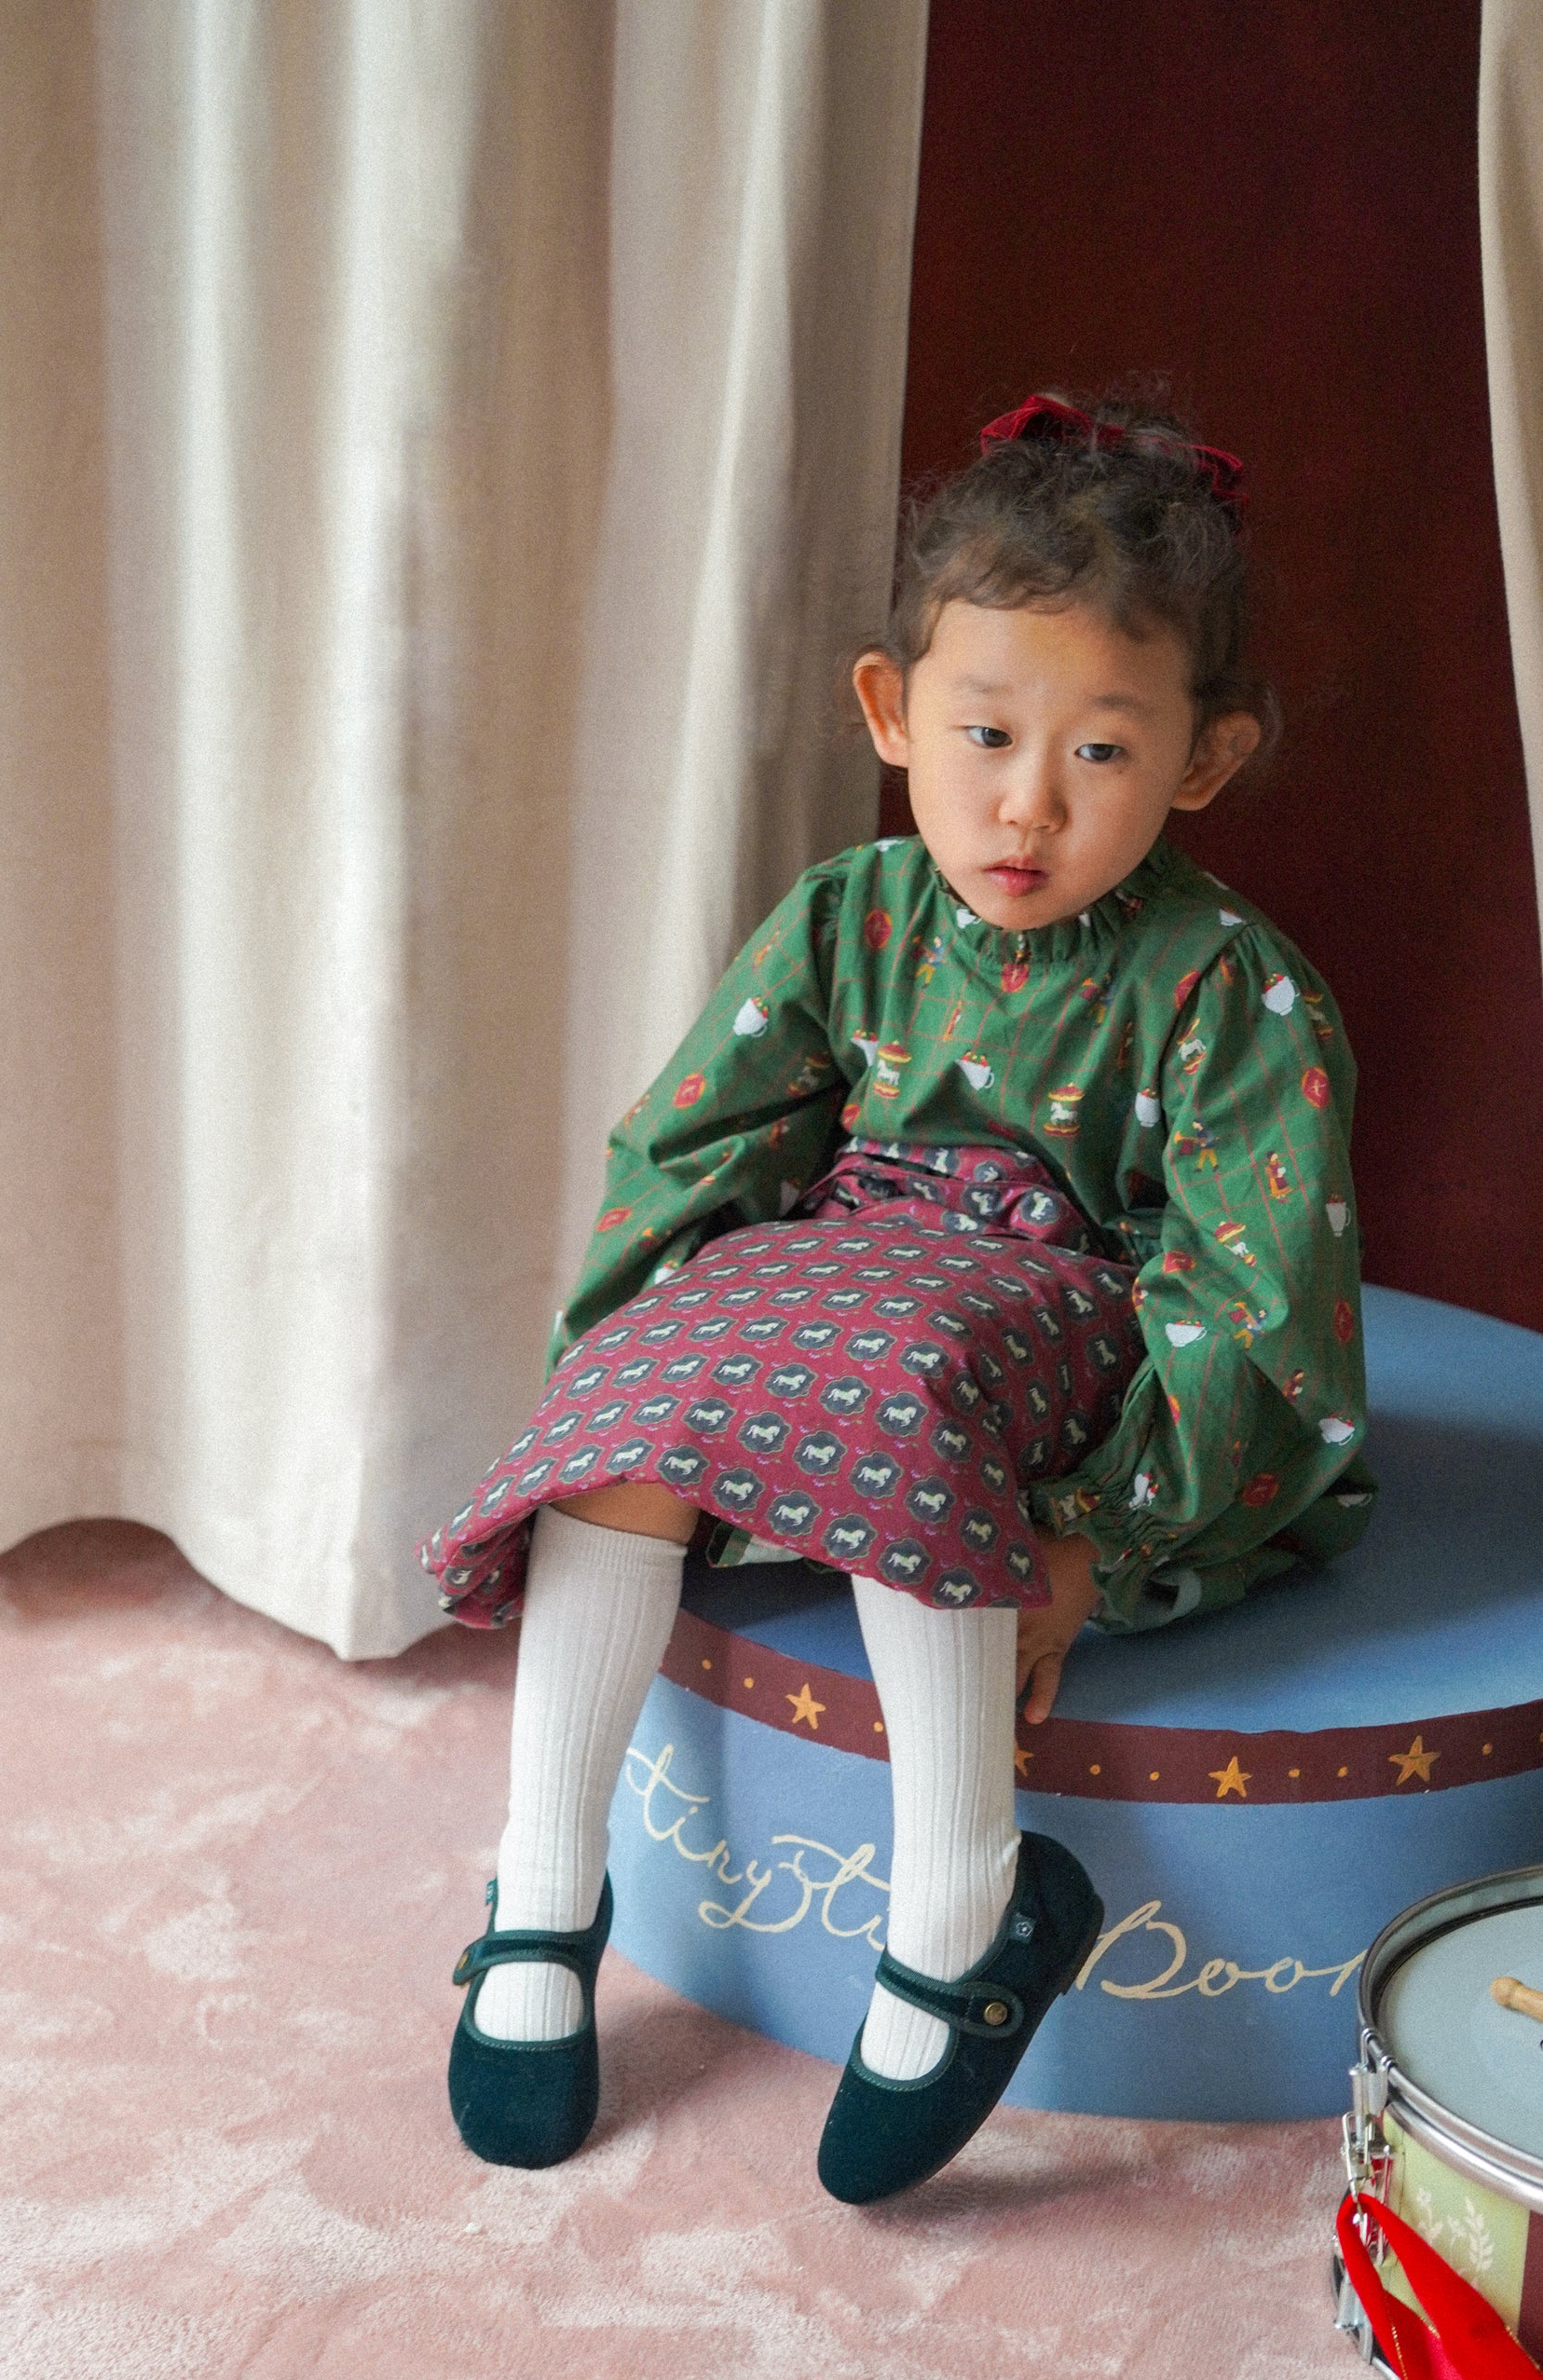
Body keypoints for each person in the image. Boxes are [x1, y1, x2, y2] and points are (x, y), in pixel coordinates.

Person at [423, 390, 1372, 2202]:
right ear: (890, 712)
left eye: (1101, 750)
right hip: (844, 1287)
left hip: (1058, 1314)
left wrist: (1100, 1534)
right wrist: (639, 1365)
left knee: (898, 1373)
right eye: (984, 732)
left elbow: (1254, 1302)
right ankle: (541, 1887)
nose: (1025, 801)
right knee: (628, 1407)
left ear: (1202, 758)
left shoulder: (1231, 986)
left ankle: (962, 1907)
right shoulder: (847, 914)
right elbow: (691, 1151)